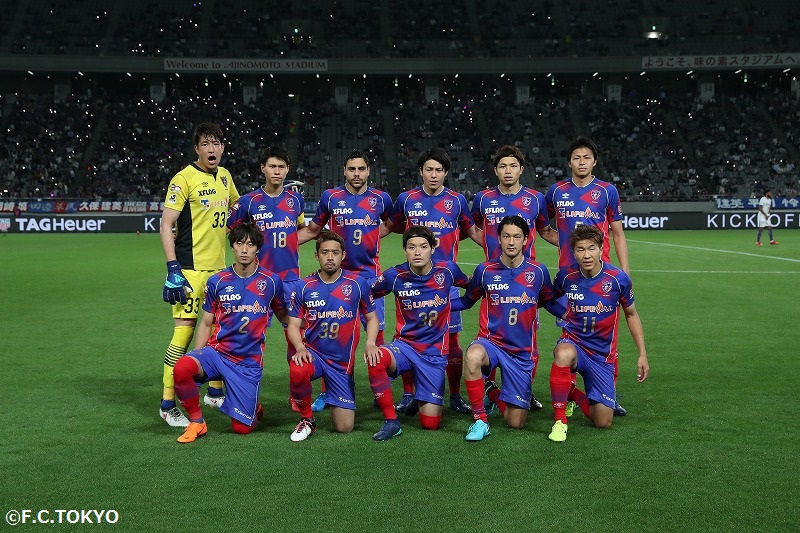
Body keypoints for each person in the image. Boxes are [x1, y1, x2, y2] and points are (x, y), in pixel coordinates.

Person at [382, 147, 482, 415]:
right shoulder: (406, 199)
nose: (434, 174)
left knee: (452, 341)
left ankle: (455, 395)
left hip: (445, 282)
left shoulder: (457, 201)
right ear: (421, 171)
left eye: (439, 170)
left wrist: (498, 253)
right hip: (413, 283)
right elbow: (389, 226)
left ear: (446, 173)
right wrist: (358, 241)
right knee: (408, 339)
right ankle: (408, 394)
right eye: (429, 169)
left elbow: (472, 231)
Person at [172, 223, 288, 443]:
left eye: (250, 245)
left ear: (257, 249)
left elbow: (284, 316)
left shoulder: (271, 282)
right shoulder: (217, 281)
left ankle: (252, 406)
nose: (244, 249)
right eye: (239, 243)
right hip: (217, 354)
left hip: (248, 363)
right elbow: (206, 323)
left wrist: (308, 326)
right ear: (232, 246)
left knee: (241, 429)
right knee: (182, 367)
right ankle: (197, 422)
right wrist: (197, 355)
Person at [297, 150, 393, 412]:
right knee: (331, 338)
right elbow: (314, 229)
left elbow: (391, 224)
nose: (357, 174)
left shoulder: (380, 198)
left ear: (368, 171)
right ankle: (329, 391)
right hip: (337, 280)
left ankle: (380, 391)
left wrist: (373, 234)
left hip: (370, 278)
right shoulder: (331, 197)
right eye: (352, 169)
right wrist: (281, 243)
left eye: (361, 169)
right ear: (344, 171)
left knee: (377, 336)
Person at [452, 216, 563, 441]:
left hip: (521, 352)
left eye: (516, 237)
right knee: (473, 356)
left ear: (526, 240)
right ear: (499, 239)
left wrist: (572, 315)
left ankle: (492, 392)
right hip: (491, 342)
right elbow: (466, 301)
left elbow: (549, 302)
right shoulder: (485, 270)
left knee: (516, 422)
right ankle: (480, 420)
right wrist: (438, 304)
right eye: (506, 236)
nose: (511, 242)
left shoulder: (538, 271)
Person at [158, 122, 239, 428]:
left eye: (216, 143)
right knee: (184, 334)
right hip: (190, 271)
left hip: (219, 271)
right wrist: (172, 268)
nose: (211, 149)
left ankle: (214, 392)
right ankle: (167, 404)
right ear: (197, 149)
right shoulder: (183, 179)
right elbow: (166, 225)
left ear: (223, 147)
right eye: (205, 144)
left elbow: (237, 207)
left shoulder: (225, 176)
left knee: (220, 332)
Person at [544, 136, 630, 416]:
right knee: (569, 333)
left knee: (608, 338)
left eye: (587, 158)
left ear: (594, 162)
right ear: (569, 162)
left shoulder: (607, 191)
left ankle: (609, 394)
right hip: (570, 277)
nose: (581, 162)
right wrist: (567, 245)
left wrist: (625, 270)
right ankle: (568, 395)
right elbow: (543, 227)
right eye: (576, 158)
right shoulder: (556, 191)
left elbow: (618, 233)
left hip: (601, 277)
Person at [471, 144, 558, 410]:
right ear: (495, 170)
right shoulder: (482, 198)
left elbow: (545, 230)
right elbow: (473, 228)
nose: (508, 171)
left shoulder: (535, 199)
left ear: (521, 169)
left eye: (513, 166)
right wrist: (489, 248)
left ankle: (524, 390)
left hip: (526, 282)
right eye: (502, 166)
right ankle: (489, 386)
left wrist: (577, 246)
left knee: (528, 338)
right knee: (490, 334)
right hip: (494, 280)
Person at [367, 226, 470, 440]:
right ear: (404, 250)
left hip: (433, 355)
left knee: (430, 424)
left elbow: (472, 288)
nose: (417, 252)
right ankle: (391, 421)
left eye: (423, 247)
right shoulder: (394, 276)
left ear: (433, 248)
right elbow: (366, 294)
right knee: (376, 359)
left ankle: (421, 396)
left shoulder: (448, 271)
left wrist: (449, 306)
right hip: (404, 347)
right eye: (411, 247)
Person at [547, 225, 649, 443]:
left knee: (603, 421)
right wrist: (563, 314)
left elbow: (631, 314)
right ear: (573, 252)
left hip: (601, 356)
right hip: (574, 345)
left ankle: (573, 393)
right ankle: (560, 421)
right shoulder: (566, 276)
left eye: (591, 248)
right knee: (563, 353)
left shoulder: (618, 279)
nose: (586, 255)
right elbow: (547, 298)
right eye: (580, 249)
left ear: (601, 249)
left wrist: (642, 354)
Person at [227, 145, 305, 407]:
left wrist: (290, 242)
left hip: (290, 280)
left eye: (281, 167)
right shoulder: (248, 202)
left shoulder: (295, 200)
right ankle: (247, 396)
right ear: (263, 168)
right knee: (250, 339)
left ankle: (297, 395)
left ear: (287, 170)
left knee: (295, 338)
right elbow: (230, 232)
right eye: (272, 166)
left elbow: (302, 230)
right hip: (257, 281)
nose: (277, 171)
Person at [285, 231, 380, 441]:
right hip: (315, 355)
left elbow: (372, 318)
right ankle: (307, 419)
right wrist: (300, 347)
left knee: (344, 427)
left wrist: (371, 343)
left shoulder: (357, 284)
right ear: (316, 255)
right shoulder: (303, 286)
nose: (330, 257)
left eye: (335, 253)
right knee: (298, 367)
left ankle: (343, 389)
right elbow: (292, 325)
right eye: (325, 252)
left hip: (341, 364)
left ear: (343, 255)